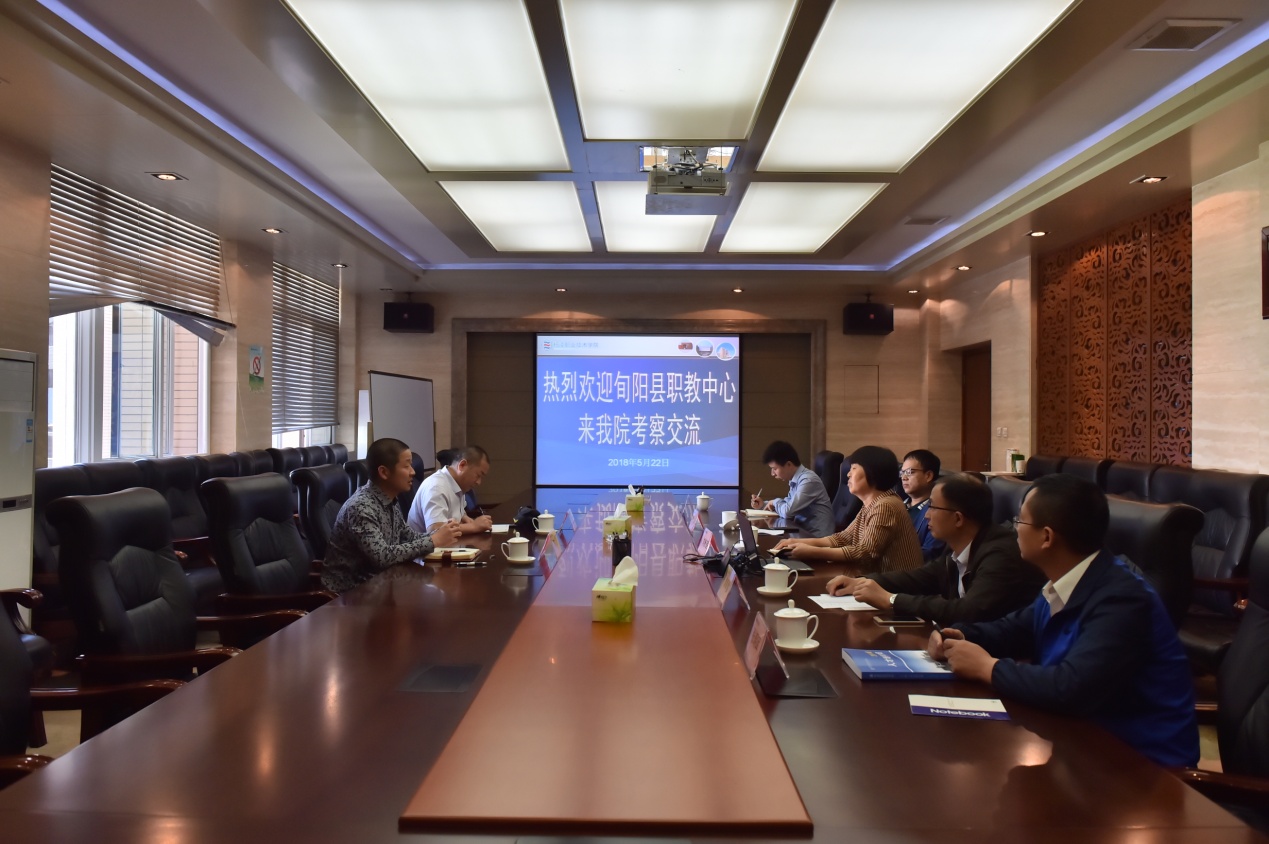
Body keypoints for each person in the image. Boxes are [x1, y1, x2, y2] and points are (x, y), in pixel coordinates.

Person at [929, 473, 1199, 768]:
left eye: (1020, 522)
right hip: (1080, 746)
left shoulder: (1122, 599)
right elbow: (1014, 630)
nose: (1014, 530)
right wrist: (960, 635)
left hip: (1142, 767)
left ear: (1046, 537)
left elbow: (1071, 687)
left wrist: (987, 667)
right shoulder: (1065, 583)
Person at [827, 473, 1044, 623]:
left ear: (958, 519)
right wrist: (863, 582)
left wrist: (891, 600)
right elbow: (922, 577)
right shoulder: (959, 546)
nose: (927, 515)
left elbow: (969, 611)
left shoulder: (1001, 554)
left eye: (933, 507)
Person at [321, 438, 461, 593]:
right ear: (384, 472)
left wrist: (441, 533)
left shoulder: (389, 500)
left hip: (382, 586)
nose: (413, 472)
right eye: (406, 466)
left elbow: (408, 537)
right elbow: (382, 557)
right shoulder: (361, 507)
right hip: (350, 595)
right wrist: (433, 541)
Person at [772, 445, 922, 573]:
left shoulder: (886, 505)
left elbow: (865, 553)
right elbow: (843, 538)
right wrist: (799, 542)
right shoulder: (873, 503)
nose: (848, 474)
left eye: (854, 468)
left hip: (896, 589)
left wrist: (812, 552)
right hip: (876, 581)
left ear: (872, 472)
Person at [750, 440, 835, 538]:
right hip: (802, 532)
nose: (772, 474)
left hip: (816, 538)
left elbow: (787, 512)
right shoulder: (796, 479)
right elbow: (788, 504)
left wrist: (774, 502)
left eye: (775, 469)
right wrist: (763, 504)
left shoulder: (808, 480)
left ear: (788, 464)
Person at [408, 445, 492, 535]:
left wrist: (464, 517)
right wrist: (474, 526)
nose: (479, 482)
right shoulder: (436, 486)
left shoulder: (458, 485)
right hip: (424, 544)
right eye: (478, 475)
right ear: (462, 465)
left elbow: (454, 514)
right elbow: (435, 530)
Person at [901, 449, 946, 562]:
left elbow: (929, 553)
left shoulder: (937, 511)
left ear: (928, 475)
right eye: (902, 472)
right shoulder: (898, 505)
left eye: (910, 472)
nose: (904, 477)